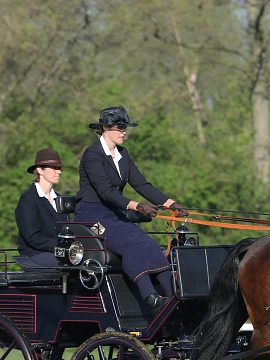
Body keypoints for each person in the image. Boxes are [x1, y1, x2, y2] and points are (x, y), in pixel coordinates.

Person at [74, 106, 189, 313]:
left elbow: (142, 185)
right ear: (105, 128)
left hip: (114, 214)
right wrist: (137, 206)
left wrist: (171, 203)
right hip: (91, 215)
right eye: (120, 127)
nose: (124, 132)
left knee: (150, 244)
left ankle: (175, 295)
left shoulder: (123, 155)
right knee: (131, 244)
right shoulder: (92, 155)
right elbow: (106, 191)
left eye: (125, 127)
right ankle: (151, 298)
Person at [15, 148, 70, 267]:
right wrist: (62, 247)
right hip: (34, 256)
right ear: (40, 170)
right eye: (54, 168)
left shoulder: (60, 200)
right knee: (72, 264)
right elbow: (32, 237)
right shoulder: (28, 199)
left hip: (60, 253)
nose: (59, 172)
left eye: (59, 168)